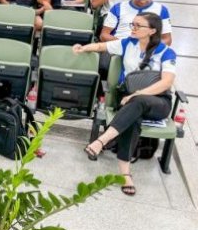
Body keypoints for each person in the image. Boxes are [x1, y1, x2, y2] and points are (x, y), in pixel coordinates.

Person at [74, 12, 175, 196]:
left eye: (138, 26)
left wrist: (138, 93)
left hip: (158, 101)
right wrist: (84, 48)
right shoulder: (127, 43)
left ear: (152, 30)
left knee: (137, 102)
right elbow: (101, 46)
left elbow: (166, 82)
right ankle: (125, 174)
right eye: (132, 25)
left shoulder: (166, 52)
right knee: (132, 119)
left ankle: (102, 140)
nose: (133, 29)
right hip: (130, 101)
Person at [101, 0, 172, 45]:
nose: (143, 2)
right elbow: (104, 35)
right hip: (120, 46)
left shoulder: (161, 10)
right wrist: (125, 45)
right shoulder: (118, 8)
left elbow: (167, 39)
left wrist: (148, 46)